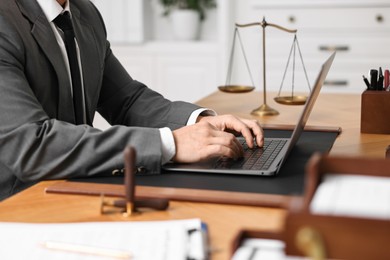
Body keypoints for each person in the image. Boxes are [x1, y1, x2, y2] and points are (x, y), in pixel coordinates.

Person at [0, 0, 263, 200]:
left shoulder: (85, 13)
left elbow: (126, 99)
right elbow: (31, 144)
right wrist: (169, 143)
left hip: (77, 187)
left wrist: (201, 123)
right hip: (18, 204)